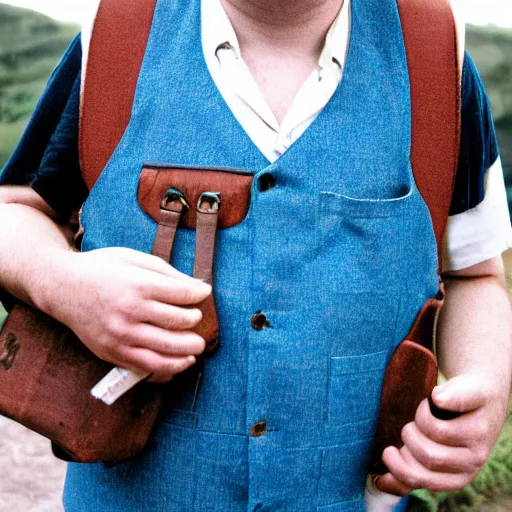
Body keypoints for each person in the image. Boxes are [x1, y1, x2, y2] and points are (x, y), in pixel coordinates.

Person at [0, 0, 511, 510]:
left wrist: (485, 388)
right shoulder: (114, 36)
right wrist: (62, 281)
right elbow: (14, 211)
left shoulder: (436, 54)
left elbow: (475, 274)